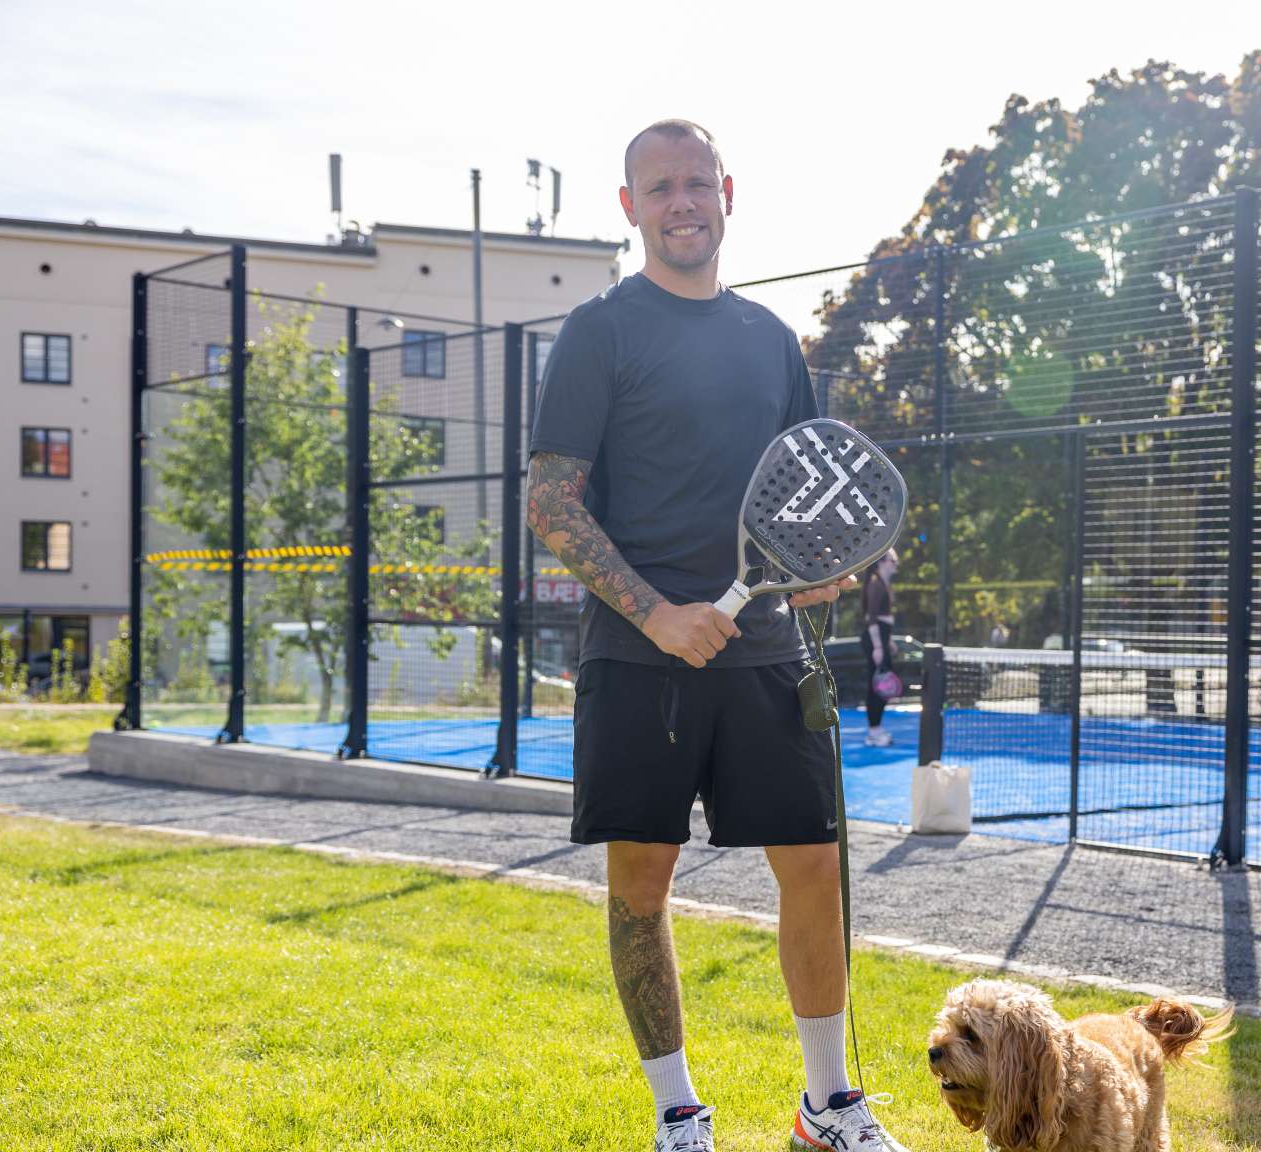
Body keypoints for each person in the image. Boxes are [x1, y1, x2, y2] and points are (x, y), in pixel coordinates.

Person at [525, 119, 909, 1152]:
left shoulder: (770, 340)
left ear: (727, 194)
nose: (682, 203)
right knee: (640, 887)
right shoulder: (598, 332)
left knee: (815, 868)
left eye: (697, 182)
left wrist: (815, 573)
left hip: (766, 650)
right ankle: (677, 1113)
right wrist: (656, 613)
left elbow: (803, 489)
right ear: (629, 207)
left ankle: (827, 1106)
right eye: (660, 188)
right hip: (635, 657)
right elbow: (551, 502)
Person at [861, 550, 899, 748]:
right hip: (875, 639)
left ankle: (876, 728)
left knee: (882, 686)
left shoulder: (883, 583)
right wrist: (877, 646)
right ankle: (873, 732)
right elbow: (871, 617)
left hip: (882, 638)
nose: (896, 563)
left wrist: (888, 640)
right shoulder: (876, 583)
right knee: (876, 686)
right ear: (881, 562)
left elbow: (884, 618)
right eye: (893, 560)